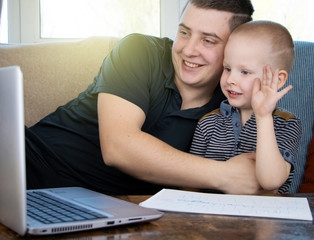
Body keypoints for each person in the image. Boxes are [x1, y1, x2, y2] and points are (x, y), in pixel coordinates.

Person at [25, 0, 258, 195]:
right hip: (29, 164)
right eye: (184, 32)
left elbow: (256, 177)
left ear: (234, 47)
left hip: (102, 209)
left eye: (208, 40)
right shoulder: (138, 50)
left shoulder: (233, 102)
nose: (188, 50)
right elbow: (118, 146)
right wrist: (224, 174)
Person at [189, 20, 302, 193]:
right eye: (227, 68)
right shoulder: (208, 123)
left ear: (277, 80)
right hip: (211, 217)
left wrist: (264, 116)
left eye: (245, 72)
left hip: (264, 217)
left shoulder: (287, 124)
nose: (230, 79)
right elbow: (190, 184)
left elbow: (271, 181)